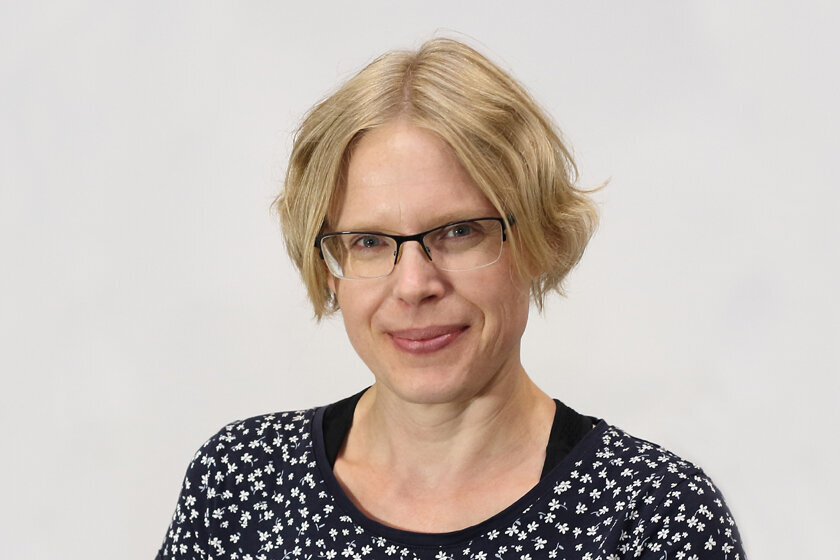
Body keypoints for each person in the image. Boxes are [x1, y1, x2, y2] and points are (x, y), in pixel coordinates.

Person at [156, 38, 746, 559]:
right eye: (368, 241)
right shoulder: (241, 486)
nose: (414, 285)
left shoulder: (651, 518)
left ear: (539, 240)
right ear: (330, 268)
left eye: (459, 231)